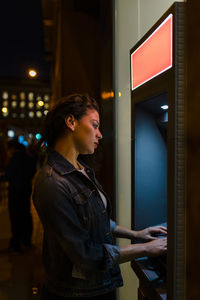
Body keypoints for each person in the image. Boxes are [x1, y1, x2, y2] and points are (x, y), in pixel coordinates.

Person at [32, 94, 167, 300]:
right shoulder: (52, 183)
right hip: (75, 293)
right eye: (94, 125)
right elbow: (84, 254)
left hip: (96, 285)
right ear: (71, 122)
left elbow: (94, 219)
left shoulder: (80, 168)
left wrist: (137, 234)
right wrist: (145, 249)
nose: (100, 134)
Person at [5, 139, 36, 251]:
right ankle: (26, 241)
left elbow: (9, 174)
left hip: (15, 191)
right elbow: (32, 171)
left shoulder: (14, 159)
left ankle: (16, 243)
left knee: (15, 217)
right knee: (26, 214)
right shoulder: (28, 158)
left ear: (12, 149)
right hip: (25, 190)